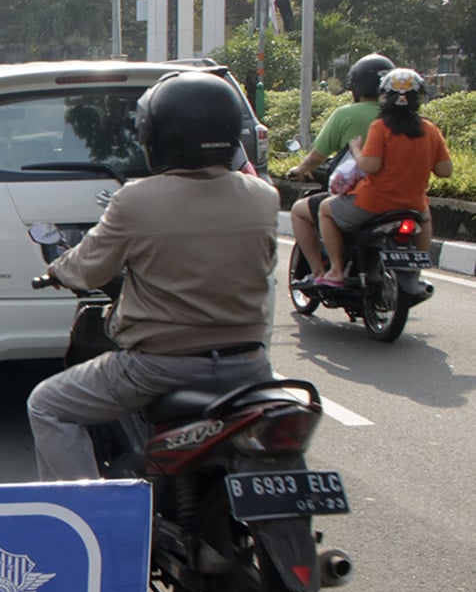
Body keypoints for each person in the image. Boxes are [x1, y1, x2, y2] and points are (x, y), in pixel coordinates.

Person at [26, 72, 280, 481]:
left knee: (47, 404)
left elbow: (88, 267)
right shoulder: (264, 197)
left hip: (159, 367)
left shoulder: (137, 200)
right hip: (249, 366)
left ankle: (88, 522)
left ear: (156, 136)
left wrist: (57, 269)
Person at [311, 67, 451, 293]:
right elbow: (445, 170)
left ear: (385, 96)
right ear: (419, 98)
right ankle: (416, 271)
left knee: (325, 210)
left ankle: (336, 270)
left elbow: (370, 166)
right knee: (425, 219)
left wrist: (356, 149)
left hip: (372, 204)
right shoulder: (430, 129)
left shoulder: (381, 126)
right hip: (413, 205)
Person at [288, 53, 392, 279]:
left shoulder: (345, 115)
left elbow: (317, 156)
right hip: (405, 197)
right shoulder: (407, 119)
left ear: (356, 84)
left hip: (362, 198)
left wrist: (298, 170)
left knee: (300, 211)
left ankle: (321, 271)